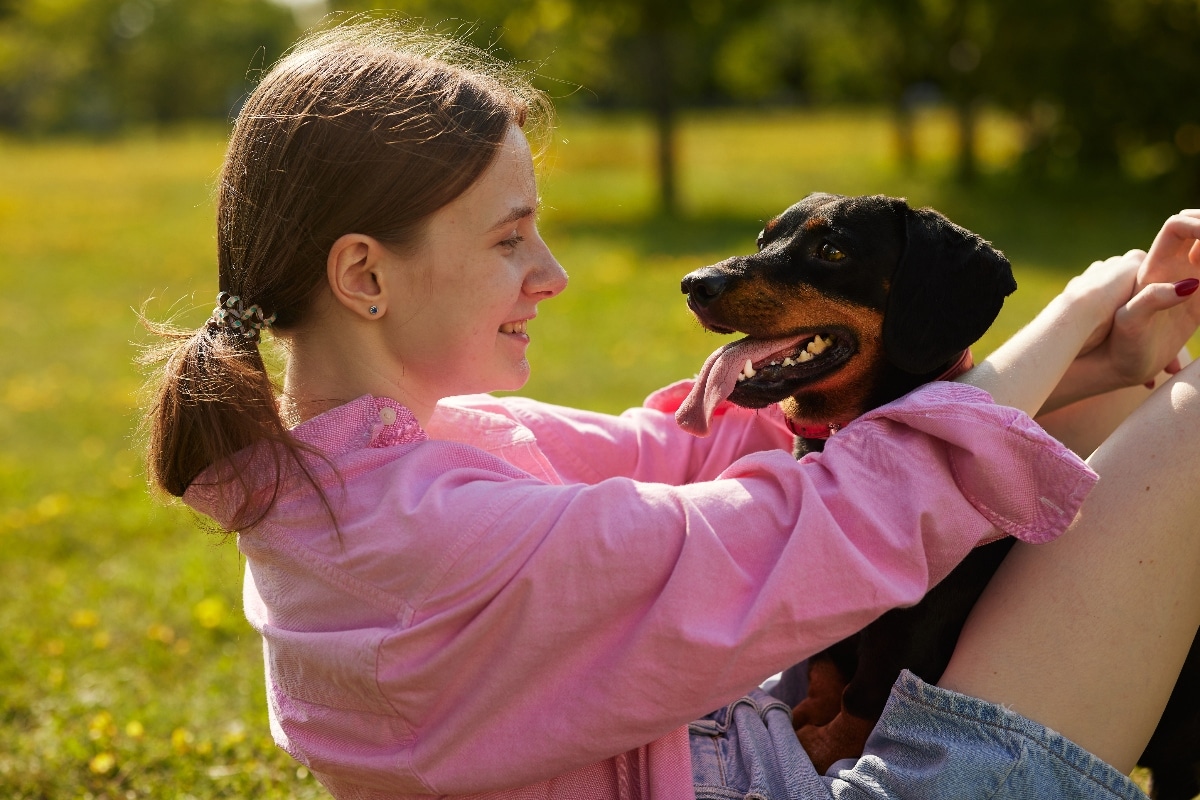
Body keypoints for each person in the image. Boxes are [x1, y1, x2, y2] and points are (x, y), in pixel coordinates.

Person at [141, 20, 1200, 800]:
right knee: (1190, 428)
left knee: (1107, 422)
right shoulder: (443, 534)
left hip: (742, 744)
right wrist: (1079, 303)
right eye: (510, 237)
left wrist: (1095, 365)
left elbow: (697, 450)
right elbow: (838, 520)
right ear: (364, 277)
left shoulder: (355, 477)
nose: (550, 273)